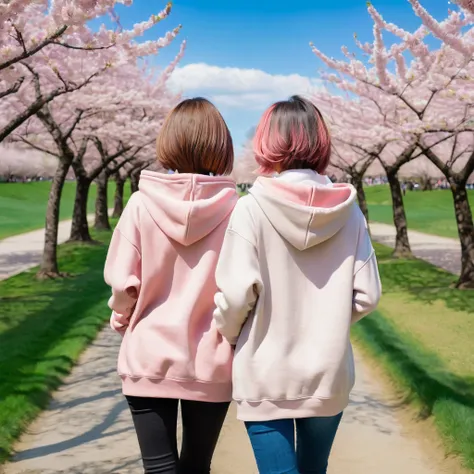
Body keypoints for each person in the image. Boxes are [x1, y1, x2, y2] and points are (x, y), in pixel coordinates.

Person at [213, 95, 382, 474]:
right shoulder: (350, 212)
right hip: (328, 372)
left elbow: (237, 295)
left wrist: (230, 332)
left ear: (265, 141)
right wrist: (329, 321)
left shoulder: (250, 209)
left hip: (264, 371)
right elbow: (368, 295)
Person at [104, 98, 238, 474]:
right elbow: (243, 289)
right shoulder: (237, 209)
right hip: (211, 359)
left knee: (159, 468)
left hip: (148, 352)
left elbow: (122, 285)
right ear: (221, 146)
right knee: (198, 466)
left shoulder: (139, 205)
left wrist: (122, 319)